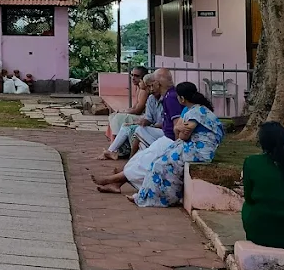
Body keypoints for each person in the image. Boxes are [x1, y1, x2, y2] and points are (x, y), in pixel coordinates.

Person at [94, 82, 224, 206]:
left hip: (196, 150)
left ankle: (154, 197)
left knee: (159, 165)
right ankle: (131, 189)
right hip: (193, 147)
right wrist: (178, 129)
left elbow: (183, 135)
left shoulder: (194, 111)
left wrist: (178, 129)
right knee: (151, 160)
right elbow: (180, 130)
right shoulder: (197, 109)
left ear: (182, 98)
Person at [241, 121, 284, 249]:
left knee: (248, 206)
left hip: (260, 233)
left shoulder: (252, 162)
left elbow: (248, 197)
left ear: (262, 142)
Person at [103, 67, 150, 159]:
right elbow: (134, 107)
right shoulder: (138, 88)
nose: (133, 78)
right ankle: (114, 147)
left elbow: (138, 110)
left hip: (143, 117)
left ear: (143, 77)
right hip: (139, 115)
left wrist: (123, 112)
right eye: (132, 75)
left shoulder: (144, 90)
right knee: (113, 116)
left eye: (136, 76)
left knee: (118, 118)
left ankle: (116, 149)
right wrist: (124, 111)